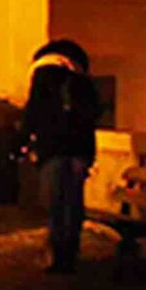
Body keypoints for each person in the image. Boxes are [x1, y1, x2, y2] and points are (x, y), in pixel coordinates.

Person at [16, 38, 101, 273]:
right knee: (73, 202)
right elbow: (93, 114)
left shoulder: (43, 75)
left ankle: (58, 253)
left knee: (55, 203)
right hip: (78, 151)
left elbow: (32, 112)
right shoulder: (81, 80)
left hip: (52, 149)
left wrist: (22, 142)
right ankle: (70, 252)